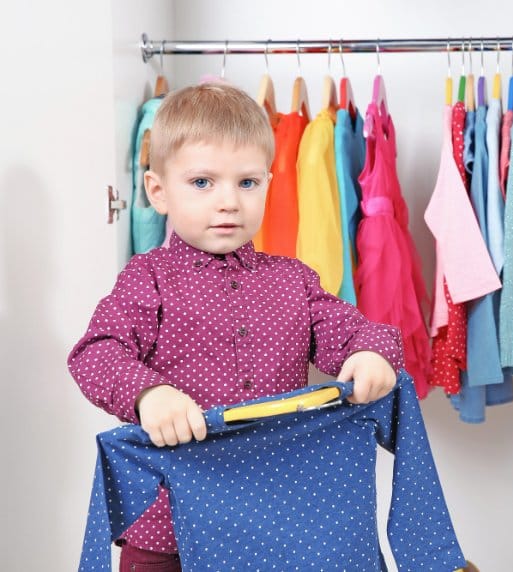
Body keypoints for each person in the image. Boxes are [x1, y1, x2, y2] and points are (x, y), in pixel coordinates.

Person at [68, 83, 403, 572]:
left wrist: (369, 353)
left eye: (246, 182)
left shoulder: (293, 280)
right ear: (158, 191)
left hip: (275, 520)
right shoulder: (148, 279)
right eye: (202, 182)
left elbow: (352, 330)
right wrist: (148, 394)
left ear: (268, 183)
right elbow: (96, 352)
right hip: (169, 529)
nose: (228, 202)